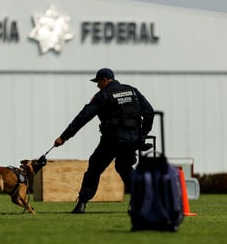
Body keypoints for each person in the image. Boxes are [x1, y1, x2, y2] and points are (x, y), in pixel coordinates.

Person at [54, 68, 154, 213]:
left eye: (98, 82)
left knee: (94, 169)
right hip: (131, 140)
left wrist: (64, 137)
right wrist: (141, 134)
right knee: (124, 168)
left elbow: (83, 117)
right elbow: (149, 113)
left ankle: (82, 203)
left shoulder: (103, 95)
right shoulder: (132, 91)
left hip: (111, 140)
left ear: (104, 80)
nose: (97, 85)